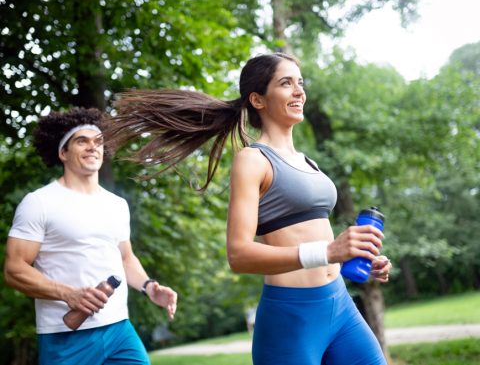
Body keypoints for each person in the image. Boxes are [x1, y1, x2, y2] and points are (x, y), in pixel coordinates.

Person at [102, 52, 392, 365]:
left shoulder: (310, 163)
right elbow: (238, 254)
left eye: (300, 83)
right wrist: (328, 252)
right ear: (258, 99)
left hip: (340, 304)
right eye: (286, 83)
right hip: (290, 319)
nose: (299, 91)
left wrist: (357, 255)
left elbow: (318, 237)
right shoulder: (252, 160)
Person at [3, 107, 177, 365]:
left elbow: (126, 258)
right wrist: (69, 294)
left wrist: (149, 287)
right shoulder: (39, 203)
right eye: (81, 141)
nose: (92, 147)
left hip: (119, 330)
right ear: (63, 152)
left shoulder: (116, 204)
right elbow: (14, 269)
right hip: (65, 337)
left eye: (98, 142)